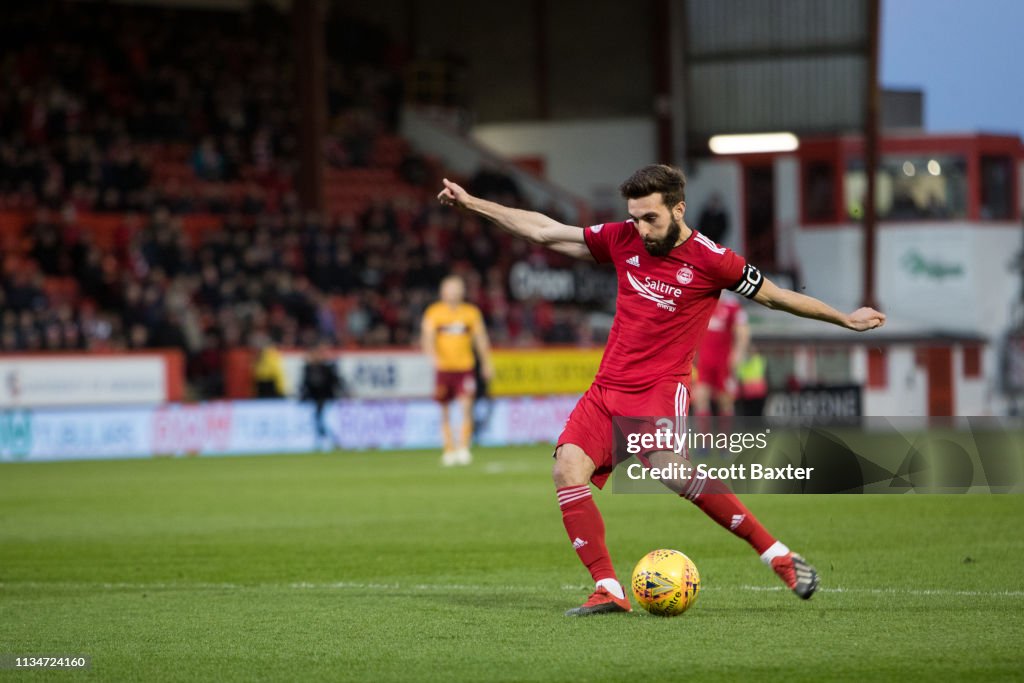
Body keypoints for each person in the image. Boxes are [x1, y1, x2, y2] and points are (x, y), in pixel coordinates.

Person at [438, 165, 886, 616]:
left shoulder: (714, 260)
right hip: (606, 388)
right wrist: (472, 203)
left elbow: (776, 296)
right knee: (567, 467)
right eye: (634, 217)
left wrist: (844, 319)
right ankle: (608, 589)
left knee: (670, 469)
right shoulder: (622, 239)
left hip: (658, 388)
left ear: (678, 209)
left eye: (650, 218)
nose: (640, 228)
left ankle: (777, 555)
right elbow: (545, 231)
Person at [421, 275, 495, 466]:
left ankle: (463, 447)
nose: (453, 293)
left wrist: (487, 362)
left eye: (456, 289)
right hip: (444, 369)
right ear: (442, 292)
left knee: (466, 408)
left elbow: (481, 339)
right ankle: (448, 449)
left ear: (462, 292)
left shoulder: (470, 313)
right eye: (450, 289)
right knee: (444, 409)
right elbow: (427, 337)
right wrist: (432, 357)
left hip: (465, 368)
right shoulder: (434, 312)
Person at [694, 291, 750, 418]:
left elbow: (743, 333)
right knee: (700, 398)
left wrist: (738, 353)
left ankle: (725, 437)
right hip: (704, 360)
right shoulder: (703, 303)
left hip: (724, 361)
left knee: (725, 401)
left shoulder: (732, 306)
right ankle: (704, 437)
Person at [300, 342, 346, 450]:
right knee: (319, 419)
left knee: (321, 419)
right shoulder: (309, 369)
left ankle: (328, 439)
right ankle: (328, 439)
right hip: (315, 398)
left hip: (325, 398)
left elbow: (335, 381)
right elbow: (305, 384)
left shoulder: (326, 368)